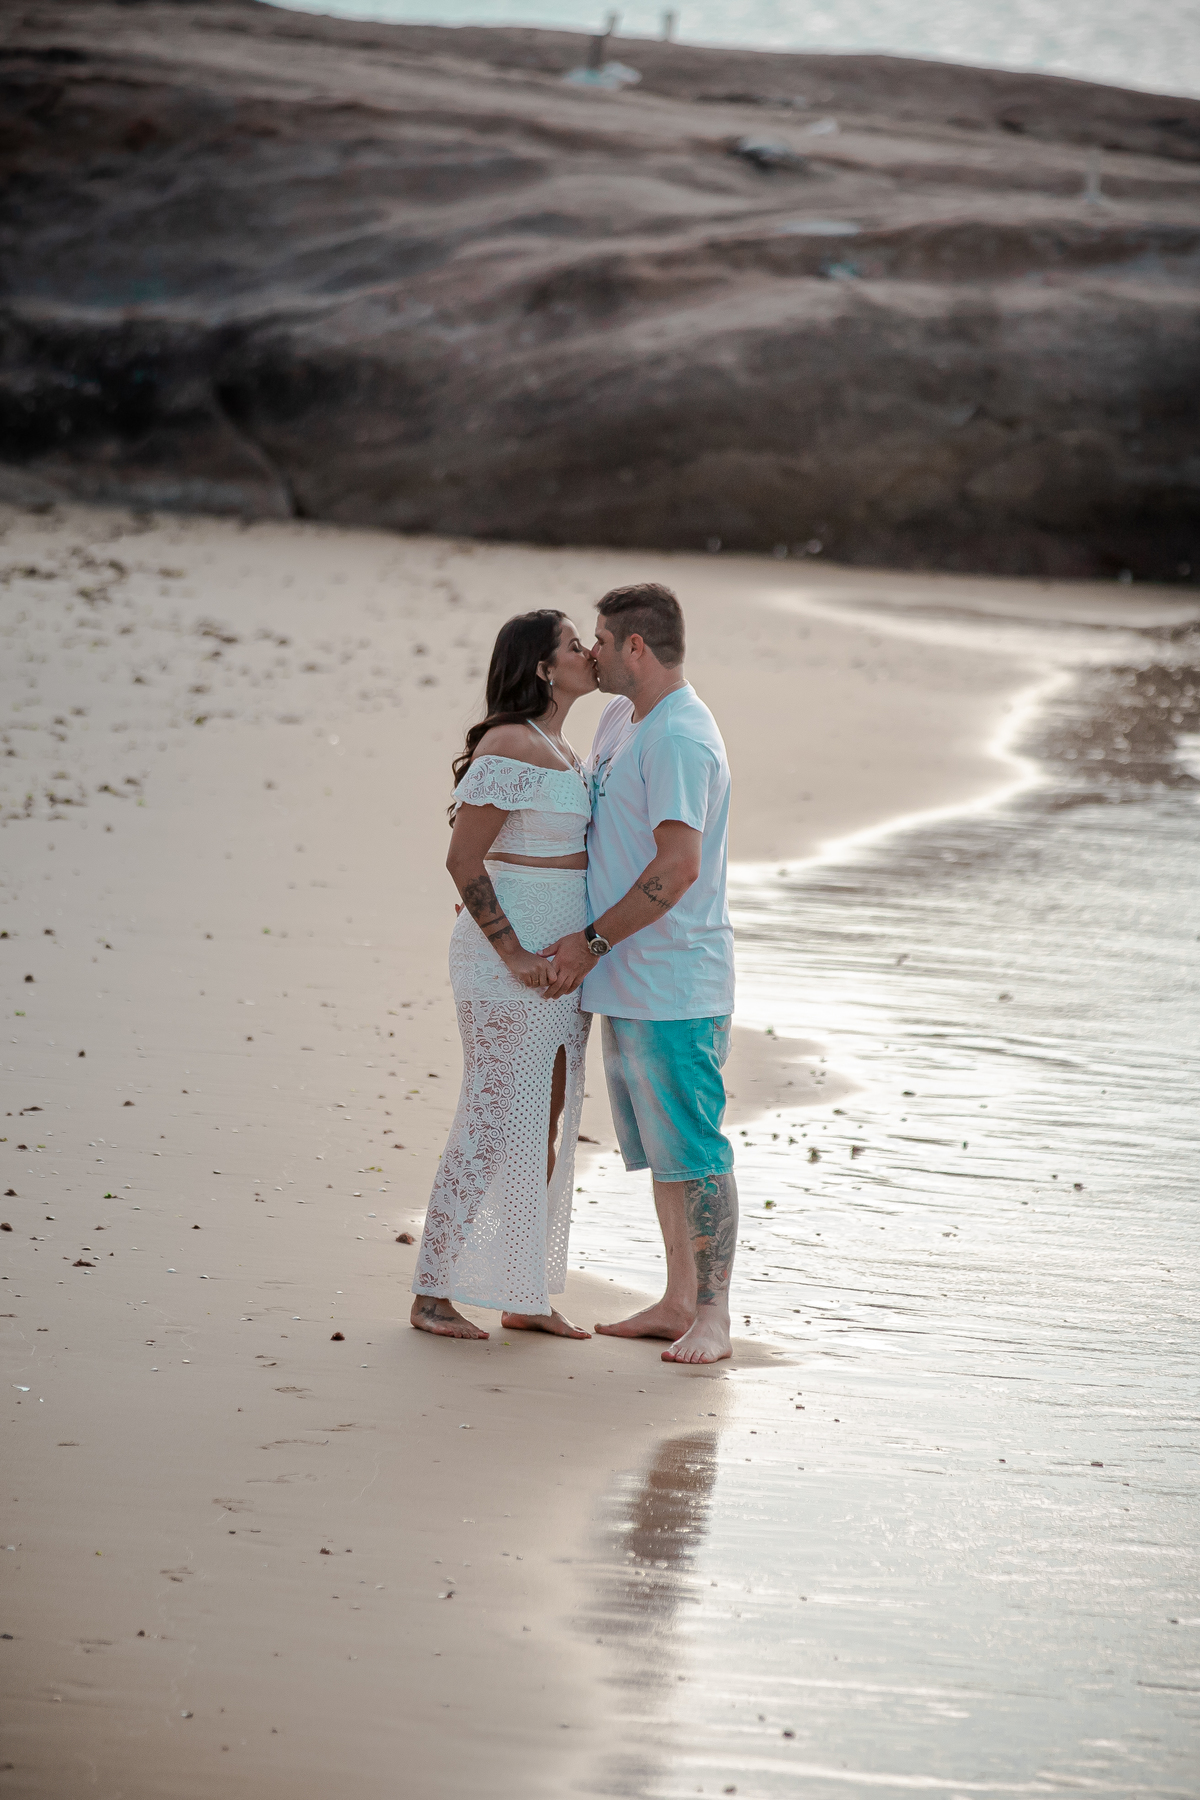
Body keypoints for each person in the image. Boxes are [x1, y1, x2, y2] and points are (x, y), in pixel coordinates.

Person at [540, 582, 738, 1365]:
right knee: (665, 1151)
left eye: (599, 638)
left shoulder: (681, 737)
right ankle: (678, 1300)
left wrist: (591, 940)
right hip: (627, 976)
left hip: (674, 981)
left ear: (635, 647)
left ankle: (713, 1318)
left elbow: (678, 866)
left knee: (695, 1149)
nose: (590, 651)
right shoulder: (623, 717)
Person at [410, 610, 598, 1341]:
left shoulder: (564, 747)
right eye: (574, 645)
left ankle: (523, 1291)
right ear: (544, 668)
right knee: (490, 1118)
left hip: (559, 966)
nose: (588, 653)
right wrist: (513, 952)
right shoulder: (510, 742)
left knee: (541, 1121)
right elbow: (463, 860)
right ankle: (432, 1292)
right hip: (505, 965)